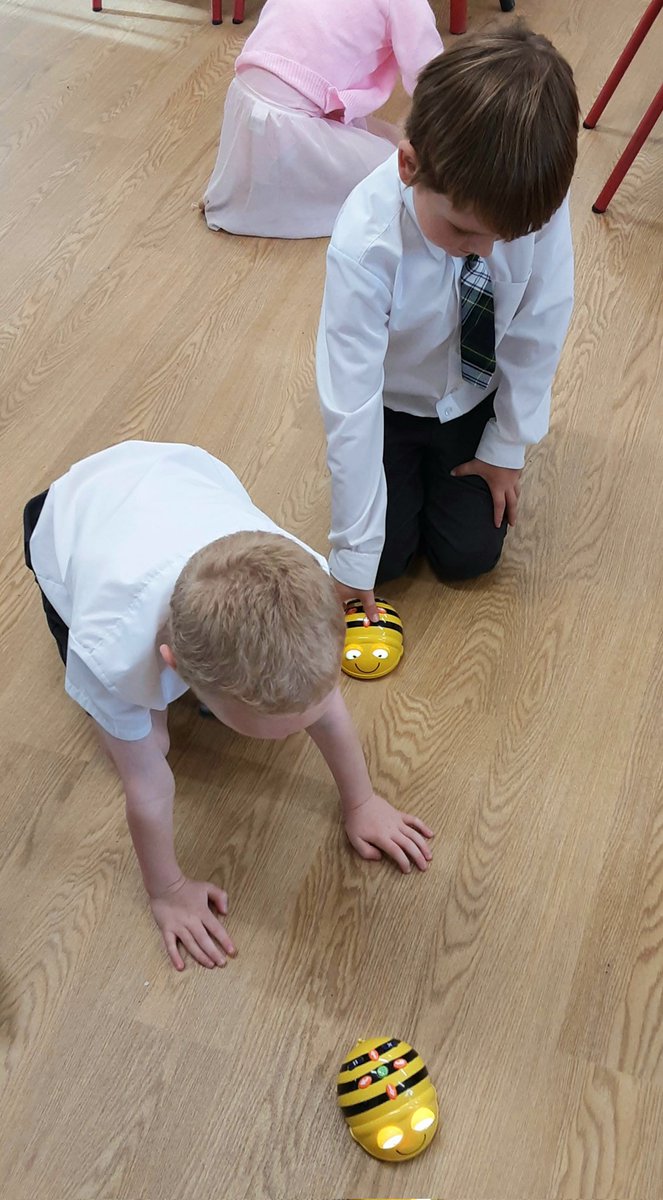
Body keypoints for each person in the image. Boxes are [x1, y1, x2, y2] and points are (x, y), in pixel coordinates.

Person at [24, 442, 434, 970]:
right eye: (285, 726)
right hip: (67, 521)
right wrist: (167, 890)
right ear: (173, 665)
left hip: (172, 474)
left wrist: (362, 801)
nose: (308, 726)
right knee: (150, 745)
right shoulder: (112, 652)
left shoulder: (305, 579)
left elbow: (326, 704)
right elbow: (146, 791)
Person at [316, 26, 580, 621]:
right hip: (391, 405)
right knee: (380, 563)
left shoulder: (534, 208)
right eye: (465, 231)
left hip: (469, 398)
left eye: (505, 237)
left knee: (469, 555)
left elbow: (541, 322)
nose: (486, 252)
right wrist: (352, 555)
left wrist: (506, 444)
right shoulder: (366, 243)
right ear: (409, 166)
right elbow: (350, 396)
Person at [202, 0, 443, 238]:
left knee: (390, 137)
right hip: (290, 118)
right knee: (409, 173)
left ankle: (254, 180)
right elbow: (434, 84)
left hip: (243, 98)